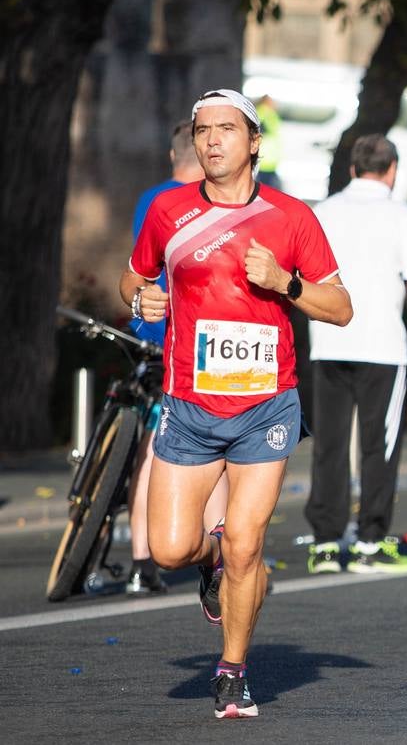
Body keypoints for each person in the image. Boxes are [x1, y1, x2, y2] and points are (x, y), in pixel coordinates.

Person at [120, 88, 352, 719]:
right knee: (170, 549)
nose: (212, 140)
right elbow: (134, 275)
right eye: (202, 131)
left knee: (246, 544)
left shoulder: (291, 217)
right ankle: (214, 562)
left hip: (265, 406)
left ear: (254, 142)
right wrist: (141, 300)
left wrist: (284, 281)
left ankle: (232, 670)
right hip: (191, 405)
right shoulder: (168, 211)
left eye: (225, 129)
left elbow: (341, 307)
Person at [304, 134, 407, 574]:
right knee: (380, 445)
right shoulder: (401, 214)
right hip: (381, 345)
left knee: (330, 444)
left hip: (328, 341)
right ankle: (371, 542)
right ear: (392, 170)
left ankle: (324, 543)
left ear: (353, 168)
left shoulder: (323, 212)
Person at [124, 121, 230, 596]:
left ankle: (140, 560)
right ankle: (222, 552)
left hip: (146, 333)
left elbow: (136, 271)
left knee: (152, 447)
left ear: (172, 157)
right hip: (196, 344)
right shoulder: (214, 204)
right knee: (217, 453)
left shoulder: (153, 200)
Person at [253, 95, 282, 189]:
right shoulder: (263, 113)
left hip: (267, 160)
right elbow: (258, 131)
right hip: (264, 160)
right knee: (263, 190)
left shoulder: (269, 114)